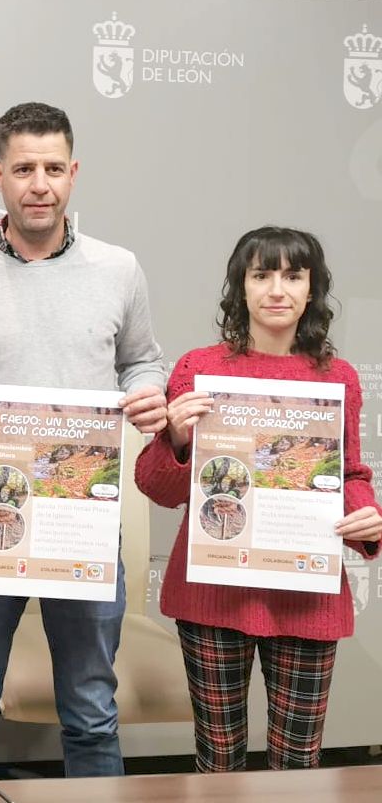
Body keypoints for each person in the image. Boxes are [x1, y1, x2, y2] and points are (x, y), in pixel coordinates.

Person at [0, 101, 168, 779]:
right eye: (24, 169)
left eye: (53, 168)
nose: (39, 183)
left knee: (90, 705)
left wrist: (147, 390)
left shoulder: (119, 269)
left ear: (74, 173)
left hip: (80, 519)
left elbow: (142, 359)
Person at [134, 226, 382, 772]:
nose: (277, 289)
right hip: (214, 591)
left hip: (306, 591)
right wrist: (174, 438)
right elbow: (156, 486)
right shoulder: (198, 369)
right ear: (239, 287)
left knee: (296, 768)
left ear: (312, 289)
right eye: (261, 274)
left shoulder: (336, 377)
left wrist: (369, 516)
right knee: (218, 763)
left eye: (293, 275)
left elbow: (351, 474)